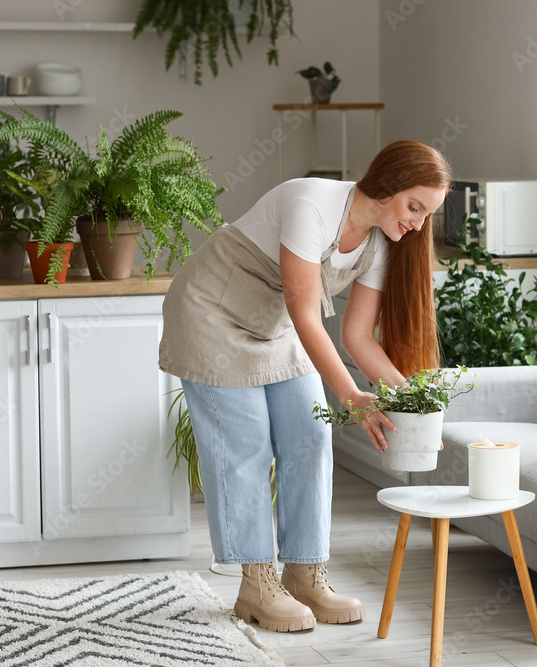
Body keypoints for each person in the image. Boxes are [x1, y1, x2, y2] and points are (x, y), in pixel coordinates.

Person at [158, 140, 451, 632]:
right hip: (213, 314)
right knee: (245, 443)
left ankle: (304, 572)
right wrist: (352, 396)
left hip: (276, 325)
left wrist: (414, 405)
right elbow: (305, 311)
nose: (418, 224)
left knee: (310, 436)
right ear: (386, 186)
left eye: (427, 215)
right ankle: (256, 585)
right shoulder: (311, 205)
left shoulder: (381, 240)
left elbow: (357, 337)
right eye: (414, 207)